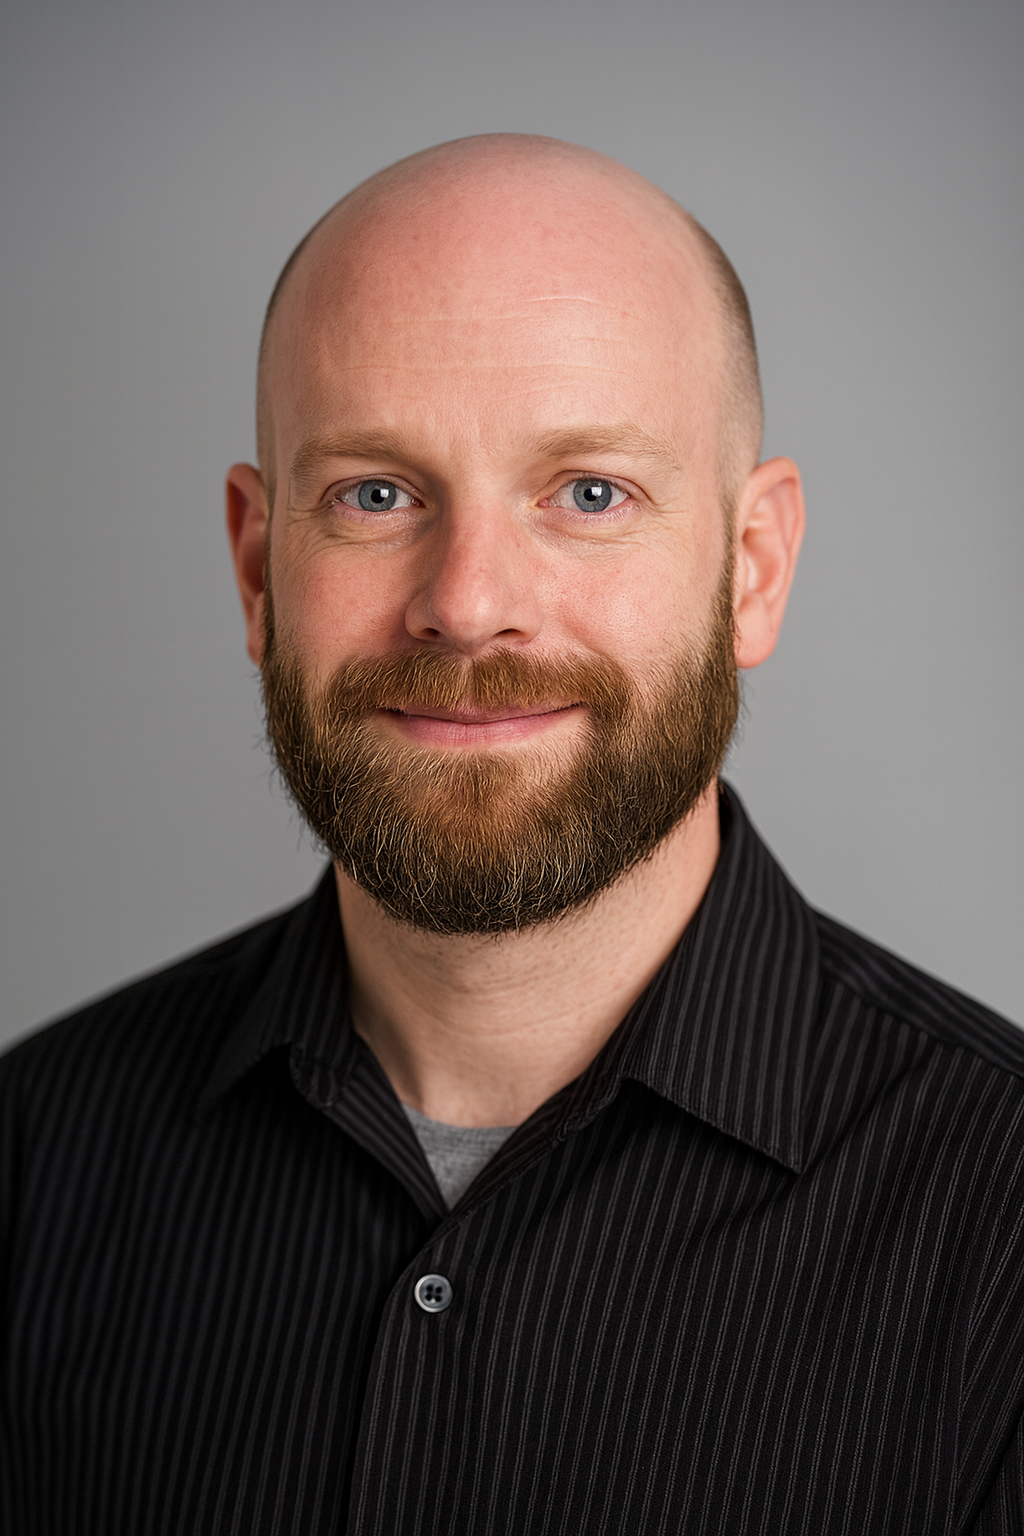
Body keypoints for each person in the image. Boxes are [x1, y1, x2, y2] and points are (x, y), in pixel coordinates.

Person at [2, 134, 1022, 1536]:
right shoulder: (27, 1164)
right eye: (376, 494)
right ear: (257, 572)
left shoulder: (1001, 1222)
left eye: (589, 493)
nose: (468, 604)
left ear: (753, 569)